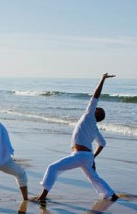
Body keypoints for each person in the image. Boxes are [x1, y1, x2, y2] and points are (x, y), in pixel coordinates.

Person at [36, 73, 119, 202]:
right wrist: (93, 157)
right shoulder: (95, 128)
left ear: (95, 113)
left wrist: (102, 79)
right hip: (86, 157)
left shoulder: (89, 116)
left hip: (80, 156)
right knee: (94, 178)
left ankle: (42, 197)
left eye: (96, 109)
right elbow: (102, 143)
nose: (94, 107)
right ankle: (112, 195)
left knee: (53, 168)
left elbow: (95, 96)